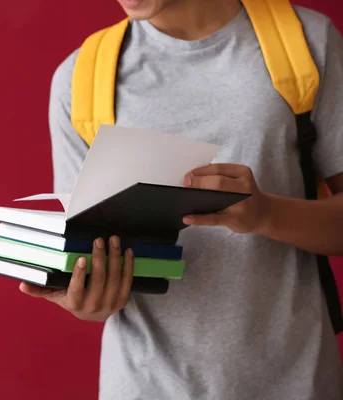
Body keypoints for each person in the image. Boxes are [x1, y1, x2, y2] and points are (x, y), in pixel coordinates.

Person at [18, 0, 343, 398]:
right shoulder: (81, 79)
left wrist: (266, 213)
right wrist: (88, 299)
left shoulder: (306, 42)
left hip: (298, 384)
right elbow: (87, 262)